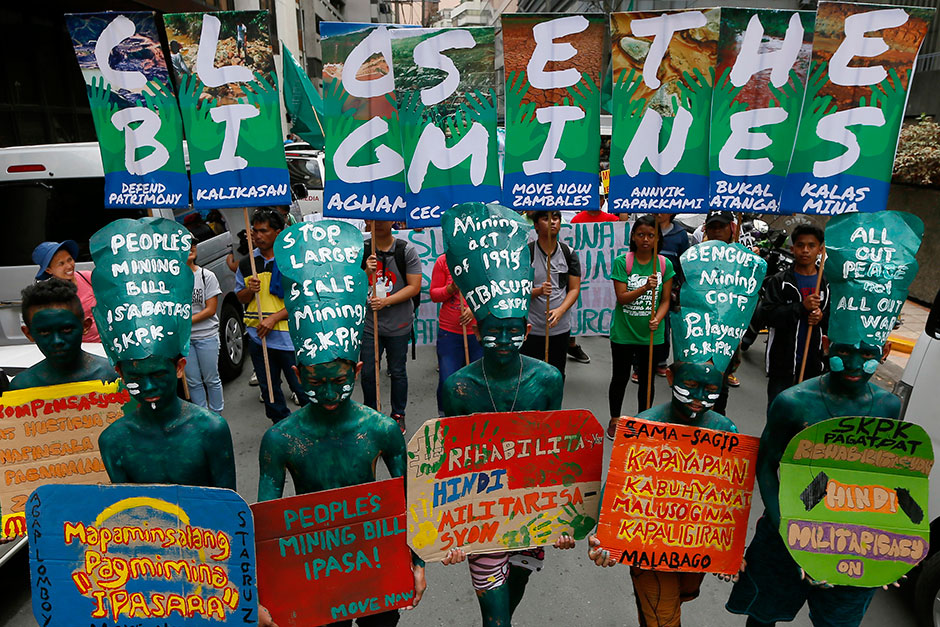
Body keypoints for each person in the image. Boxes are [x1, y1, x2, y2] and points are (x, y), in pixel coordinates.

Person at [260, 218, 426, 626]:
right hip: (314, 569)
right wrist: (263, 591)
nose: (331, 394)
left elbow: (409, 501)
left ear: (357, 371)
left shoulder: (381, 429)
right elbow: (267, 522)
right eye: (317, 383)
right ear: (298, 375)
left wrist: (417, 561)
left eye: (340, 382)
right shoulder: (281, 439)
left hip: (376, 566)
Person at [441, 202, 574, 627]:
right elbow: (447, 460)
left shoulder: (548, 379)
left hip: (532, 512)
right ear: (477, 329)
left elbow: (556, 450)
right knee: (496, 621)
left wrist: (564, 515)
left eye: (513, 330)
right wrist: (447, 528)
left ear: (527, 330)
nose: (503, 339)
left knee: (513, 596)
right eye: (493, 330)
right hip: (479, 513)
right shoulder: (458, 387)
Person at [725, 339, 899, 627]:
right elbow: (766, 466)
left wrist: (890, 548)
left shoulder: (888, 406)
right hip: (787, 526)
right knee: (763, 616)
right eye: (844, 351)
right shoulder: (793, 402)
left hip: (852, 539)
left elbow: (885, 476)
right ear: (827, 346)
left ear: (886, 353)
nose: (854, 364)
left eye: (867, 354)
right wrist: (789, 532)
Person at [90, 217, 236, 491]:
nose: (148, 387)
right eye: (136, 378)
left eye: (158, 374)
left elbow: (228, 504)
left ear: (179, 367)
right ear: (120, 373)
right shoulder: (113, 441)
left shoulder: (211, 430)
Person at [235, 208, 307, 422]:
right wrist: (250, 290)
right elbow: (240, 297)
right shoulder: (247, 263)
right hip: (259, 340)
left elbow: (303, 300)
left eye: (263, 231)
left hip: (290, 340)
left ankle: (312, 429)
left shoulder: (292, 262)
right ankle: (281, 427)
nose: (258, 236)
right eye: (255, 231)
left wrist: (274, 318)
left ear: (278, 232)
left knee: (302, 389)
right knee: (270, 393)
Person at [607, 215, 674, 438]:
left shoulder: (664, 265)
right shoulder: (622, 262)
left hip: (651, 334)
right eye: (641, 235)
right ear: (633, 237)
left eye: (651, 235)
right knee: (620, 378)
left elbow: (665, 300)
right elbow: (622, 298)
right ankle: (615, 419)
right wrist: (645, 287)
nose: (646, 239)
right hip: (624, 332)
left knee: (646, 381)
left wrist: (658, 318)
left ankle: (643, 420)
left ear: (658, 238)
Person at [756, 224, 829, 407]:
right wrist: (801, 307)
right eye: (800, 245)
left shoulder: (826, 284)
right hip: (783, 364)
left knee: (805, 416)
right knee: (778, 412)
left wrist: (821, 317)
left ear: (820, 250)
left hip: (813, 365)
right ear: (792, 248)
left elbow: (834, 320)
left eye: (811, 246)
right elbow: (768, 315)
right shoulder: (779, 281)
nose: (805, 250)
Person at [360, 220, 422, 433]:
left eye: (382, 218)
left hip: (399, 324)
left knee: (397, 371)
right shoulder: (362, 250)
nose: (377, 223)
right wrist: (366, 272)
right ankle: (370, 412)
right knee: (368, 372)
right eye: (373, 219)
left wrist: (386, 301)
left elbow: (414, 286)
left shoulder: (406, 250)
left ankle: (398, 414)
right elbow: (351, 284)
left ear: (392, 220)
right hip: (370, 325)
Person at [10, 279, 115, 390]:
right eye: (44, 332)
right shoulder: (22, 386)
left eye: (66, 329)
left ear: (85, 326)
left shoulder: (113, 376)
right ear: (28, 333)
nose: (57, 341)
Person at [522, 210, 582, 379]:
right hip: (531, 329)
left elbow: (574, 289)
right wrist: (538, 291)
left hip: (559, 330)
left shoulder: (569, 253)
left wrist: (560, 311)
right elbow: (518, 292)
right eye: (546, 219)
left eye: (556, 218)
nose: (553, 222)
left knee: (556, 375)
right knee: (529, 377)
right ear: (536, 225)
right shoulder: (526, 254)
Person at [429, 253, 480, 417]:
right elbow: (434, 294)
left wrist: (475, 309)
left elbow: (493, 291)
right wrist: (450, 289)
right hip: (449, 333)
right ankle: (445, 417)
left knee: (477, 380)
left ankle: (475, 417)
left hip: (478, 332)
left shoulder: (483, 258)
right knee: (447, 379)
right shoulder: (443, 261)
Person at [699, 210, 741, 405]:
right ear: (706, 230)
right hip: (699, 330)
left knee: (720, 388)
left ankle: (717, 421)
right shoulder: (694, 258)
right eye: (712, 227)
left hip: (726, 332)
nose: (717, 231)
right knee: (695, 382)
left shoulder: (743, 260)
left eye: (721, 227)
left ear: (731, 228)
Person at [184, 237, 224, 414]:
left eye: (192, 244)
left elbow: (210, 309)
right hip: (185, 340)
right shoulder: (171, 281)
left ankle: (216, 416)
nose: (190, 248)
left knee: (211, 379)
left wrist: (185, 322)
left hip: (207, 336)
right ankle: (202, 416)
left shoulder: (206, 276)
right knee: (193, 381)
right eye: (184, 245)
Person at [32, 240, 99, 343]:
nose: (69, 266)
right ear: (48, 270)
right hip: (77, 346)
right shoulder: (49, 294)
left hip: (105, 342)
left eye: (69, 260)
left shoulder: (87, 277)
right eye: (61, 264)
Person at [654, 213, 691, 377]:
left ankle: (661, 360)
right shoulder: (647, 227)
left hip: (669, 288)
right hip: (644, 285)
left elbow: (684, 264)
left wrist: (683, 289)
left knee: (664, 325)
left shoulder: (680, 235)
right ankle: (639, 364)